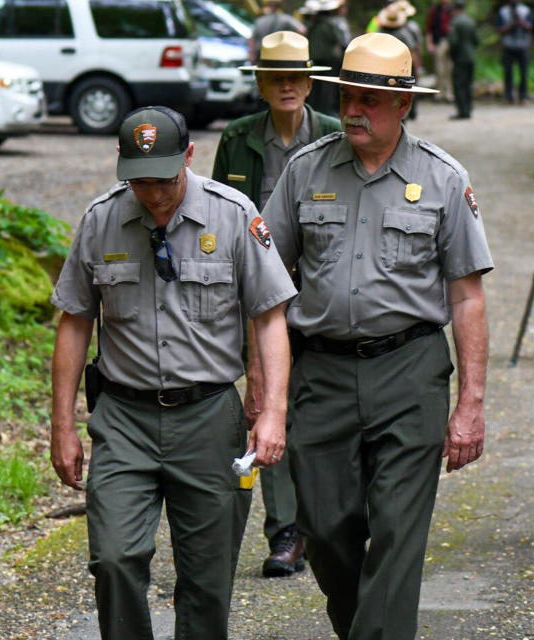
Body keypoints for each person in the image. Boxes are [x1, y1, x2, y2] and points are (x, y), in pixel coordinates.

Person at [259, 33, 493, 639]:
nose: (354, 110)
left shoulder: (442, 179)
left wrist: (471, 404)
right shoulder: (304, 171)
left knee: (396, 528)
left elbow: (467, 296)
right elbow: (266, 284)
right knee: (327, 526)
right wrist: (267, 389)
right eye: (347, 98)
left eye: (369, 99)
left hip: (409, 370)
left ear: (403, 105)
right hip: (323, 372)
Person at [50, 106, 296, 639]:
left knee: (207, 582)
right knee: (114, 559)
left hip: (209, 417)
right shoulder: (101, 219)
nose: (155, 193)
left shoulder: (233, 214)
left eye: (165, 178)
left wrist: (273, 410)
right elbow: (74, 322)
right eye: (140, 180)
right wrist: (63, 425)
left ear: (189, 156)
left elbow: (271, 315)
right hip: (123, 420)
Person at [212, 30, 340, 579]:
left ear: (310, 82)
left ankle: (328, 523)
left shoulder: (334, 134)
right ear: (261, 83)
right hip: (258, 298)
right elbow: (216, 219)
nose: (287, 86)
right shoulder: (238, 139)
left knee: (323, 412)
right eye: (275, 77)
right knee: (267, 404)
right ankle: (285, 531)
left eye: (296, 76)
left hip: (321, 295)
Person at [378, 0, 425, 119]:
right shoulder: (404, 32)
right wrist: (417, 66)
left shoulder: (380, 31)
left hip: (385, 67)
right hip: (402, 67)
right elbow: (413, 49)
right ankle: (408, 113)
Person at [306, 0, 348, 116]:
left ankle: (314, 110)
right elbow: (341, 41)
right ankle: (326, 112)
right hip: (330, 61)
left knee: (315, 87)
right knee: (328, 88)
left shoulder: (312, 24)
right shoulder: (332, 24)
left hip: (314, 59)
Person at [496, 0, 533, 104]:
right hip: (508, 46)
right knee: (508, 73)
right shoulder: (503, 11)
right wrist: (512, 24)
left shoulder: (525, 10)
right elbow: (499, 29)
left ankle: (523, 96)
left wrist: (520, 21)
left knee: (524, 73)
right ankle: (508, 97)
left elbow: (530, 27)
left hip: (523, 46)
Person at [448, 0, 479, 119]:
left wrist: (452, 55)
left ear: (455, 9)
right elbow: (476, 41)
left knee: (459, 84)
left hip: (460, 58)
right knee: (468, 84)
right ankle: (469, 108)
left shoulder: (455, 22)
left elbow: (453, 42)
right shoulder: (471, 21)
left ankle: (462, 111)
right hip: (471, 57)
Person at [425, 0, 454, 100]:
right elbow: (429, 28)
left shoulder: (453, 10)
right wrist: (429, 43)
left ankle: (449, 93)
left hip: (451, 42)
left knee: (450, 68)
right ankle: (440, 93)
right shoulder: (435, 10)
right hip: (439, 41)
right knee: (439, 69)